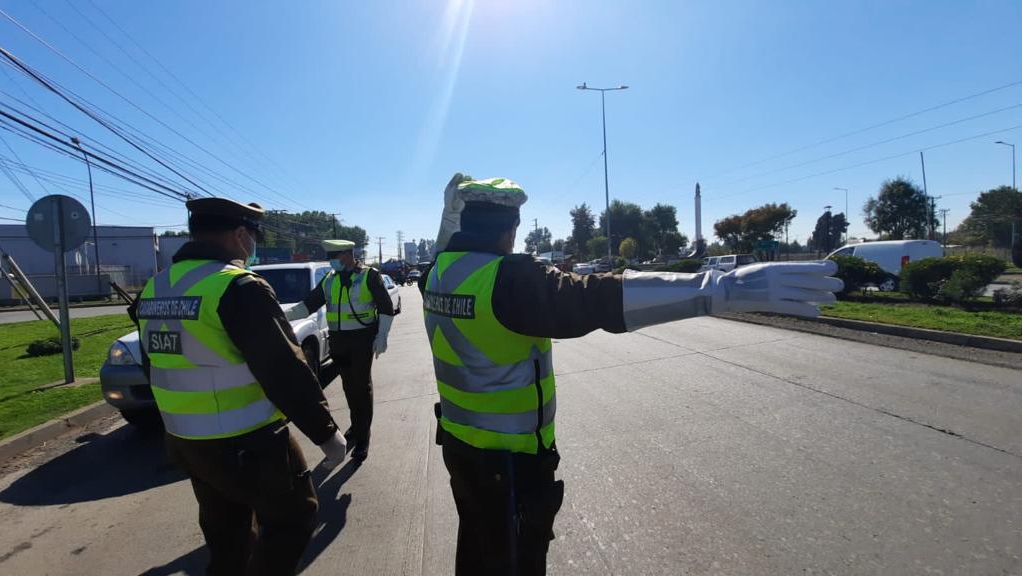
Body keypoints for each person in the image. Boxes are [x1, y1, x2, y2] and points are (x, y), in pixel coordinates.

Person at [421, 174, 842, 576]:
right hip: (510, 467)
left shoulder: (436, 274)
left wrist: (449, 217)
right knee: (514, 565)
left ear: (467, 222)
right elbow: (597, 297)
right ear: (511, 229)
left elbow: (447, 249)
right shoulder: (508, 282)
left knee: (476, 553)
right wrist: (720, 290)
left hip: (460, 450)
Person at [130, 197, 347, 576]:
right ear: (241, 235)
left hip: (186, 441)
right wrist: (326, 433)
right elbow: (282, 368)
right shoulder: (237, 286)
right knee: (293, 519)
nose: (252, 247)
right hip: (246, 440)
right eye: (252, 239)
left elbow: (154, 360)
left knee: (227, 533)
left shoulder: (155, 287)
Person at [286, 239, 396, 461]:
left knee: (362, 387)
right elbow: (308, 305)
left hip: (362, 340)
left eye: (334, 256)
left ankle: (363, 438)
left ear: (347, 254)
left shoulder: (369, 276)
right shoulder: (329, 279)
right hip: (339, 342)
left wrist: (382, 336)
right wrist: (281, 315)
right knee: (349, 387)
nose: (331, 261)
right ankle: (357, 426)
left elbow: (386, 307)